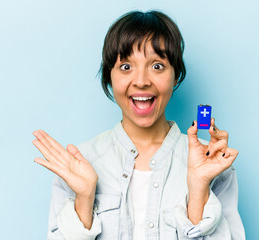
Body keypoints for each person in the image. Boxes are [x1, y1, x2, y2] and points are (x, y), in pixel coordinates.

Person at [32, 10, 245, 240]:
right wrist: (84, 200)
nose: (142, 81)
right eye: (126, 66)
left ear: (175, 76)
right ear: (109, 77)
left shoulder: (211, 163)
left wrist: (198, 190)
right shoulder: (77, 164)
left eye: (157, 66)